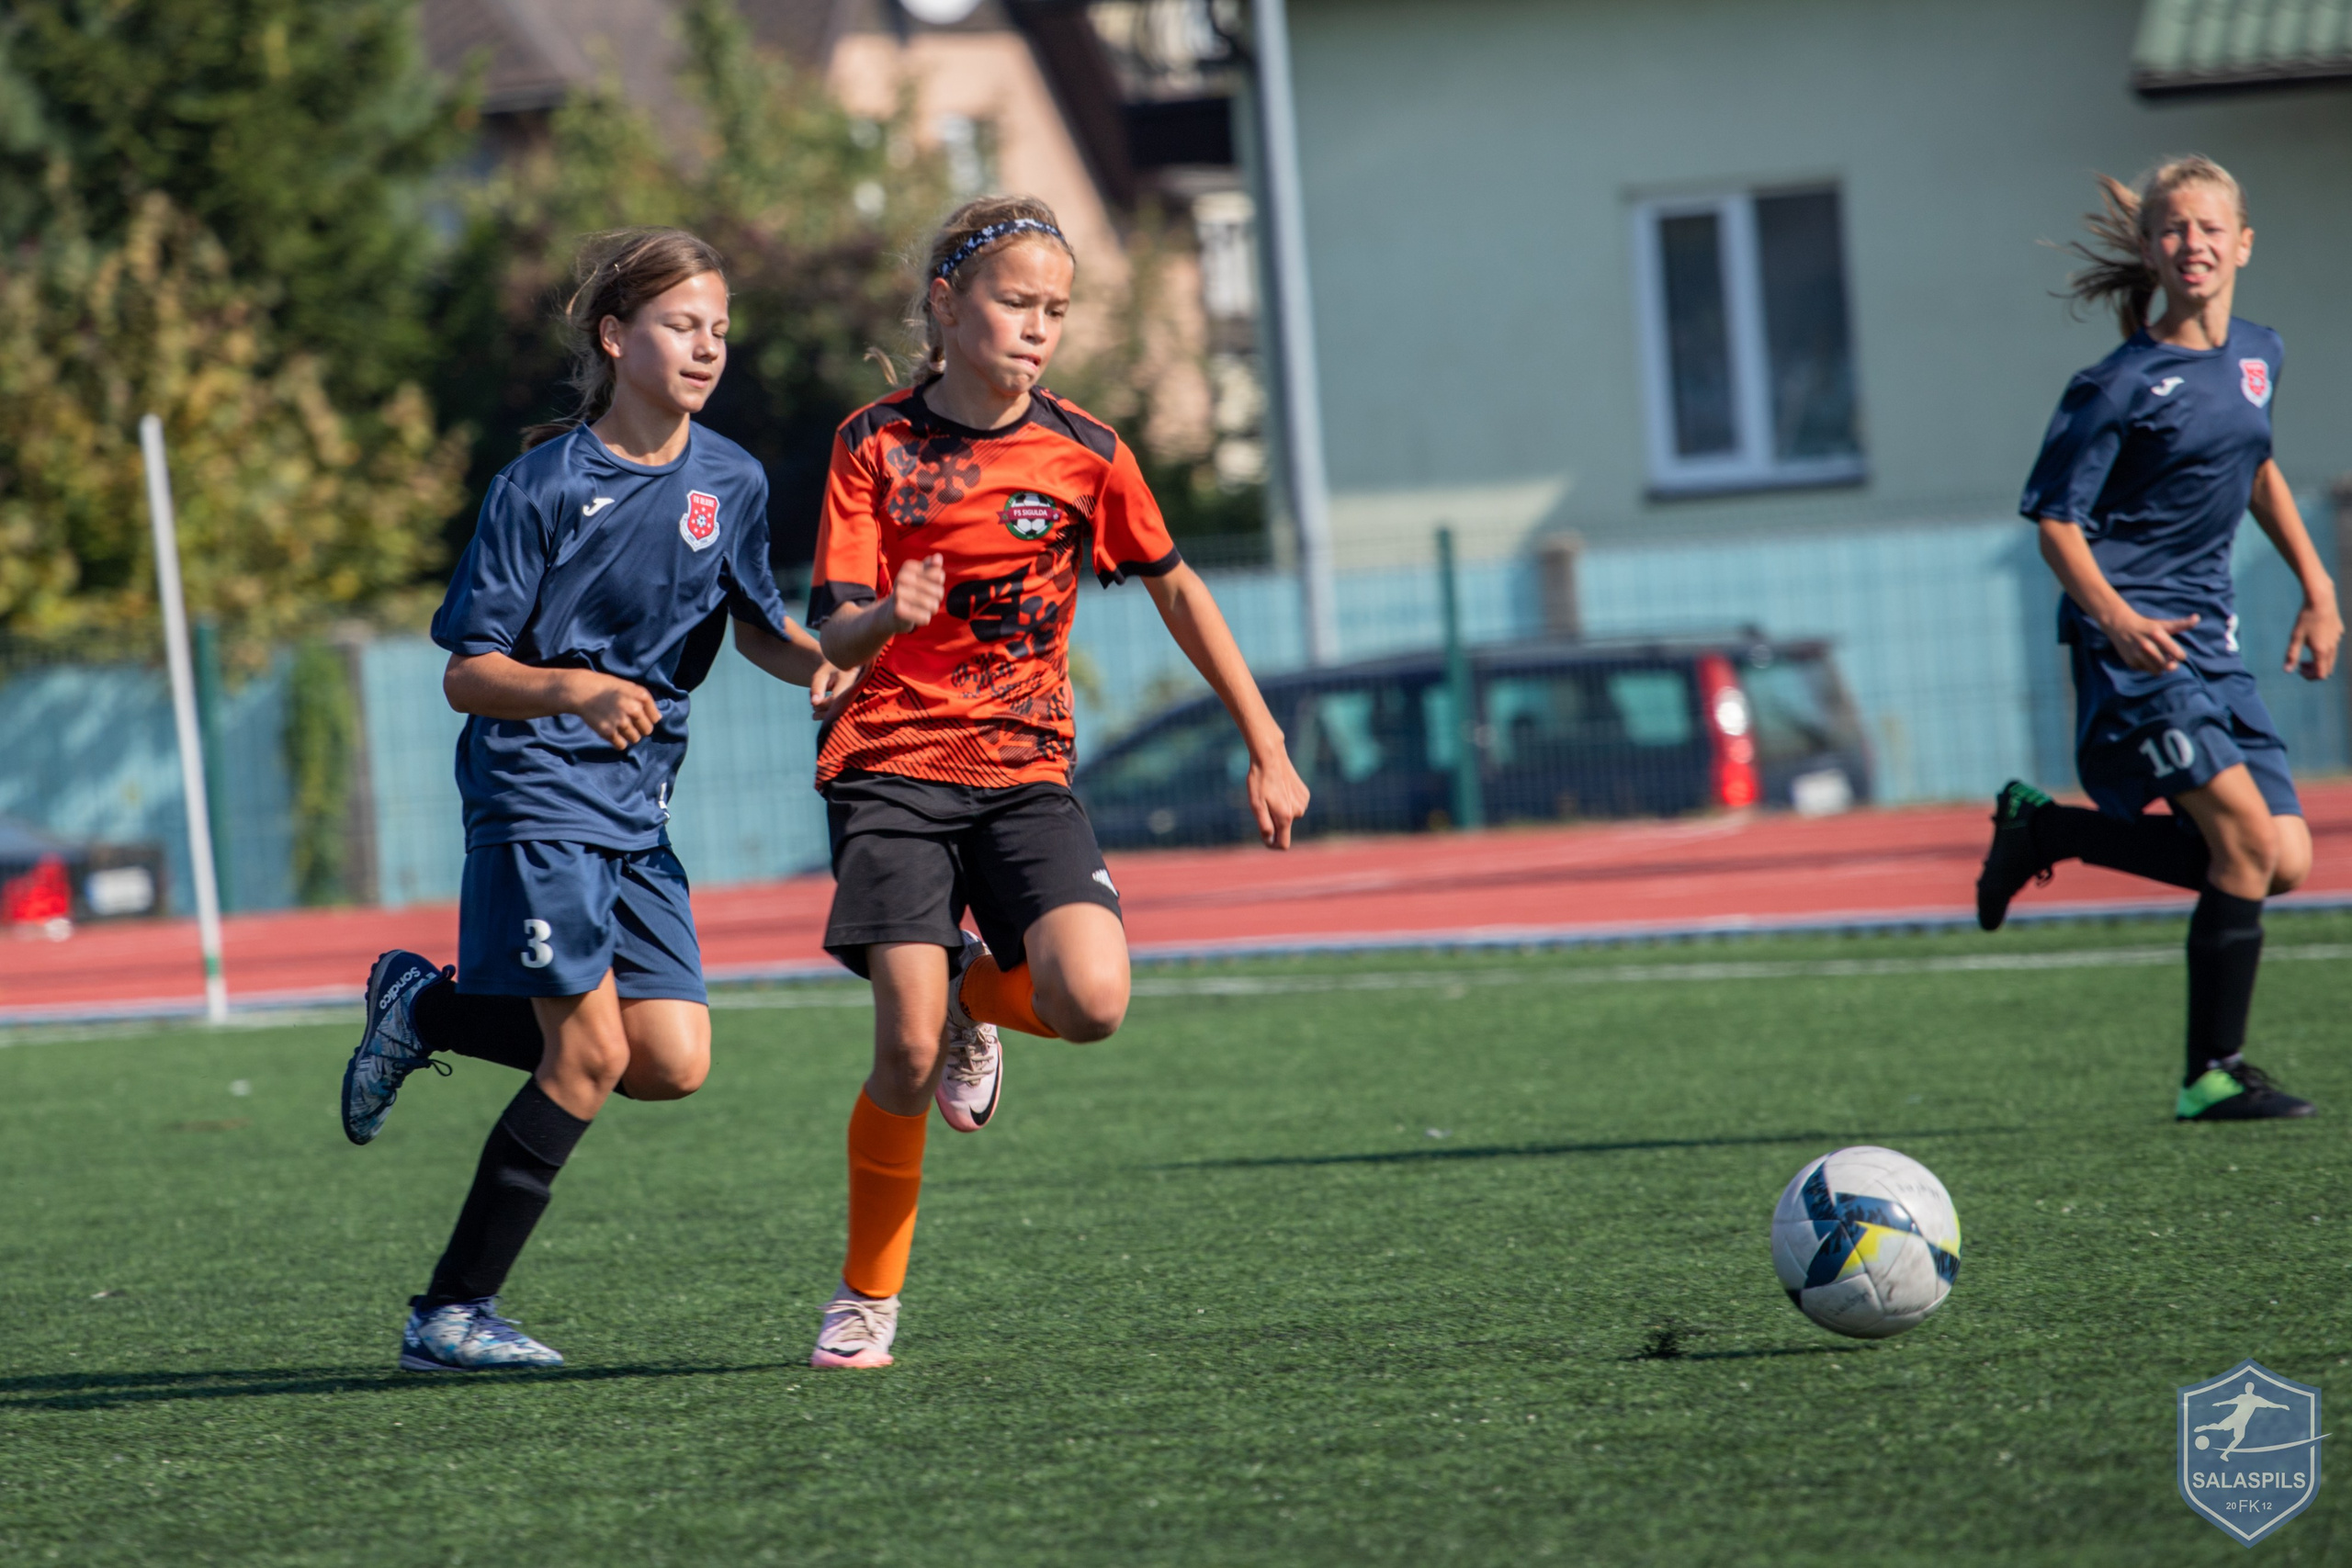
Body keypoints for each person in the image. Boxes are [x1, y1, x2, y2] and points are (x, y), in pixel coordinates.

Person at [801, 195, 1310, 1368]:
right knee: (902, 1052)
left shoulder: (1086, 452)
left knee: (1091, 1001)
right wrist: (885, 619)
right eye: (1016, 302)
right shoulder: (873, 444)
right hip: (889, 769)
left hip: (1024, 772)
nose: (1038, 328)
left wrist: (1265, 739)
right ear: (947, 302)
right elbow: (831, 627)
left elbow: (1179, 588)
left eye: (1056, 311)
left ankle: (985, 1000)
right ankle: (866, 1298)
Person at [338, 228, 852, 1371]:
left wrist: (821, 660)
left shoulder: (732, 478)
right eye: (681, 324)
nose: (707, 346)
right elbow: (469, 672)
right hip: (537, 792)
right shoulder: (540, 486)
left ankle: (427, 1010)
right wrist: (571, 687)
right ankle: (448, 1315)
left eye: (720, 327)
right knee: (584, 1061)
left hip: (637, 808)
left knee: (667, 1059)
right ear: (617, 338)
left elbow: (761, 627)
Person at [1977, 157, 2340, 1122]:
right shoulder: (2114, 384)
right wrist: (2116, 618)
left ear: (2243, 243)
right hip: (2134, 646)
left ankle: (2046, 830)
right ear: (2149, 249)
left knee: (2285, 860)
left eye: (2211, 228)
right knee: (2242, 844)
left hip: (2211, 645)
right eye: (2174, 230)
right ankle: (2208, 1075)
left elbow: (2254, 464)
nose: (2194, 245)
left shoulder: (2260, 353)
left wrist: (2317, 585)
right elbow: (2055, 521)